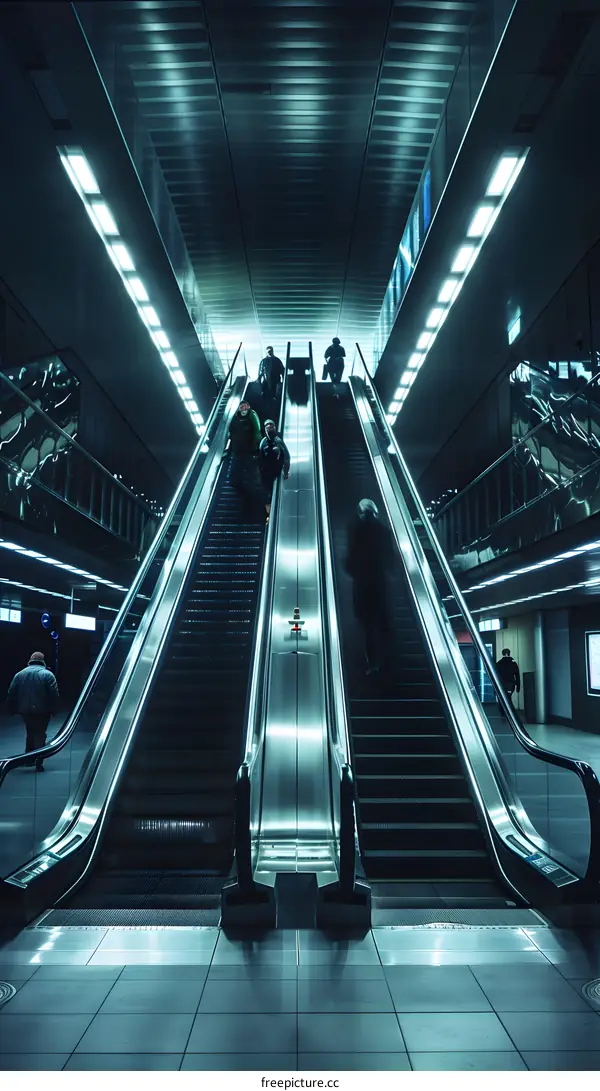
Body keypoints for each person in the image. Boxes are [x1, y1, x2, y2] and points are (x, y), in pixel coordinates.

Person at [345, 499, 395, 675]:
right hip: (379, 583)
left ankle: (373, 664)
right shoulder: (384, 531)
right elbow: (390, 558)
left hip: (362, 585)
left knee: (368, 626)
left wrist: (354, 571)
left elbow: (350, 560)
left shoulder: (355, 530)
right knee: (383, 623)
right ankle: (389, 662)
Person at [6, 652, 59, 772]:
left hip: (25, 710)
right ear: (42, 660)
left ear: (30, 660)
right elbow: (54, 695)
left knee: (30, 732)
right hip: (43, 710)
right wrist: (54, 709)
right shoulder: (48, 675)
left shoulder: (20, 674)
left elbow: (11, 693)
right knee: (40, 734)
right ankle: (39, 761)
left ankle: (28, 759)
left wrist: (10, 708)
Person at [258, 419, 290, 523]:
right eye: (267, 427)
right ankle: (269, 516)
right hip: (266, 474)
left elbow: (286, 457)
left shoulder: (278, 441)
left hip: (276, 473)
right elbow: (260, 458)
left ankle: (277, 515)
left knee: (274, 494)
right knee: (266, 495)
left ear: (275, 428)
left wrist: (285, 472)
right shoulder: (263, 442)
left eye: (271, 427)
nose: (269, 429)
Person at [228, 400, 262, 495]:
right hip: (238, 449)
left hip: (249, 449)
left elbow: (257, 430)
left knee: (250, 468)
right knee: (237, 467)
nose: (244, 409)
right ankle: (236, 483)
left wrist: (256, 445)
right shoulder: (236, 417)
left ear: (249, 407)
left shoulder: (252, 415)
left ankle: (253, 487)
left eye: (245, 407)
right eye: (242, 407)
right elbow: (231, 429)